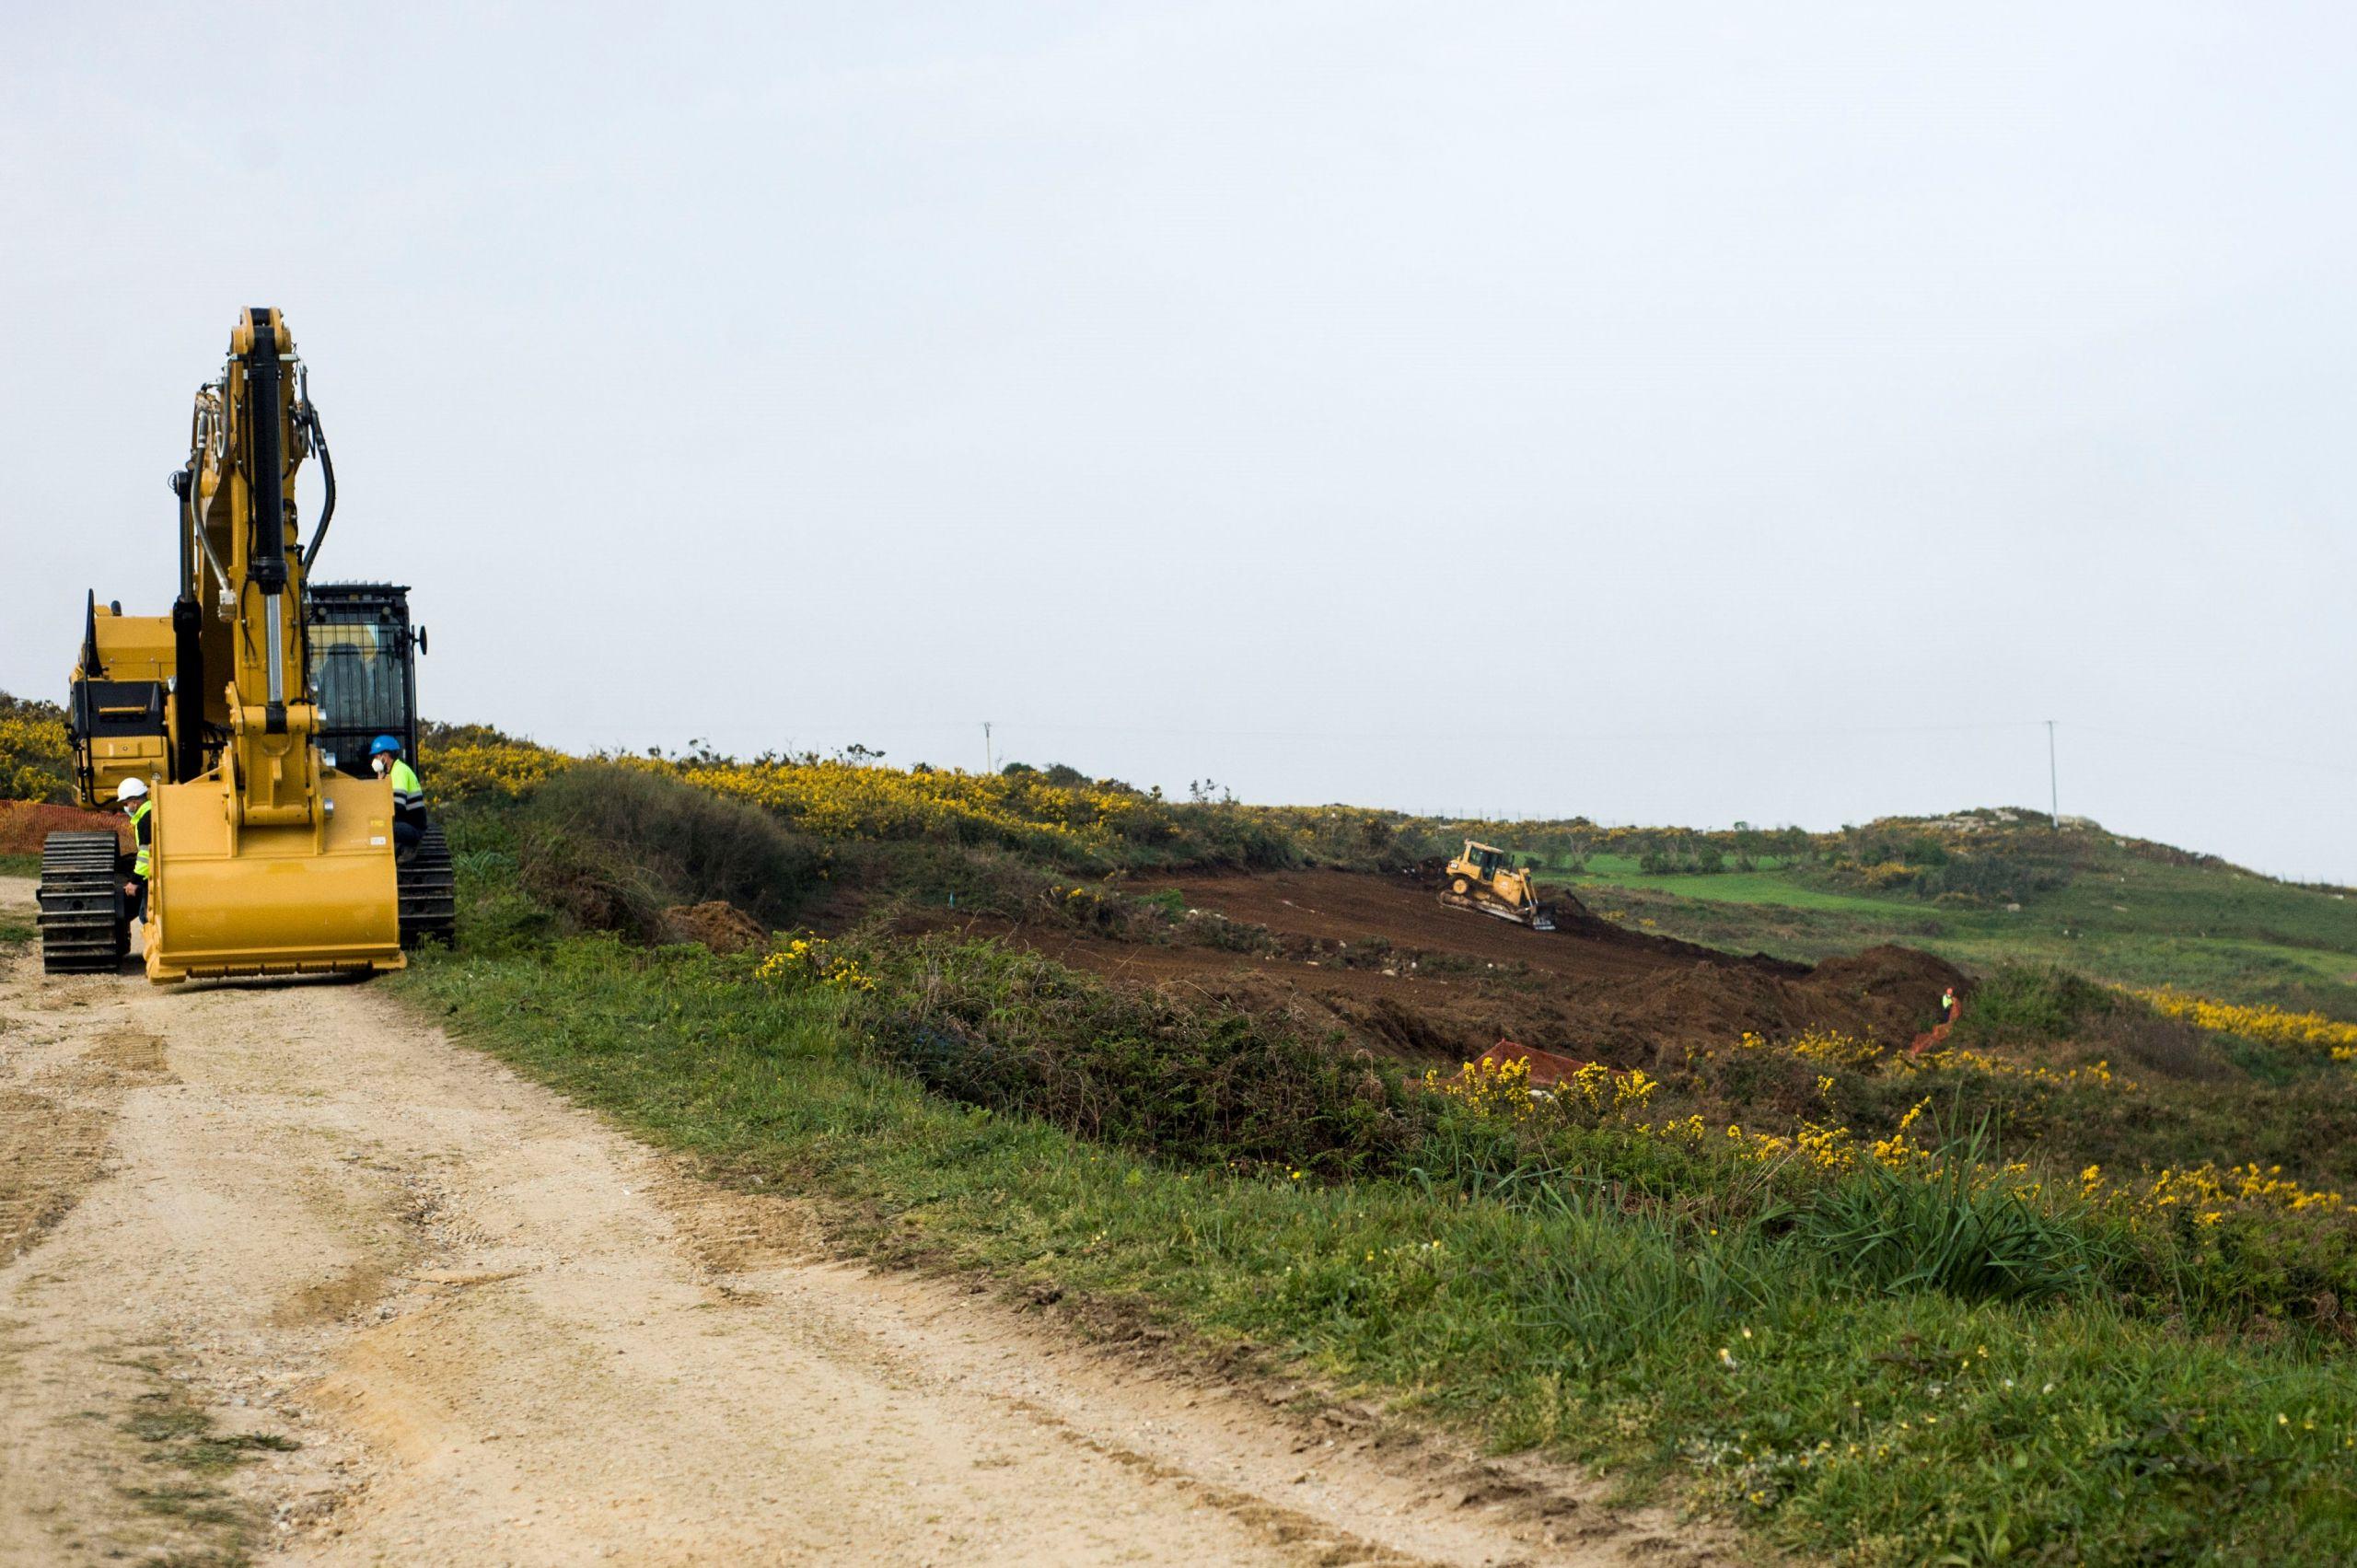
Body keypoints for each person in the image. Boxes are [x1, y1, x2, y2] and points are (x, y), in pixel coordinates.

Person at [371, 735, 427, 853]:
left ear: (385, 756)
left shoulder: (399, 771)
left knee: (380, 827)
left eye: (377, 756)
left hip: (413, 827)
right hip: (407, 824)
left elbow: (397, 806)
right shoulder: (391, 773)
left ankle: (408, 849)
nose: (374, 759)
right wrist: (380, 783)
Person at [113, 776, 152, 924]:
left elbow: (146, 854)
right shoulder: (152, 811)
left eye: (126, 803)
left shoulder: (145, 820)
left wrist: (134, 881)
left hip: (150, 875)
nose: (125, 807)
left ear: (134, 803)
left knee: (145, 915)